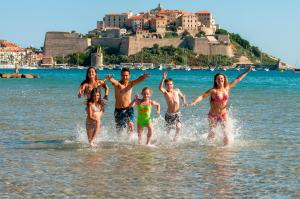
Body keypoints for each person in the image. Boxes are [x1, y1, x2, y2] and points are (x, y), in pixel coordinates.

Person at [190, 66, 254, 145]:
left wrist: (247, 71)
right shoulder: (213, 90)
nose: (220, 80)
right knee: (212, 135)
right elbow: (202, 96)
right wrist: (195, 102)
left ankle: (225, 151)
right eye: (218, 79)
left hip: (223, 114)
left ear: (224, 80)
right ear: (215, 81)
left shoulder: (227, 88)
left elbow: (238, 79)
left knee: (226, 133)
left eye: (222, 79)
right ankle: (207, 148)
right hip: (213, 115)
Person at [106, 67, 149, 134]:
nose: (125, 77)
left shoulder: (131, 84)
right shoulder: (118, 85)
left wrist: (144, 77)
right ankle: (122, 143)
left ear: (129, 76)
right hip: (118, 110)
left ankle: (130, 140)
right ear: (121, 75)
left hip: (129, 108)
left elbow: (138, 80)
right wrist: (110, 79)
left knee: (131, 124)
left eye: (126, 75)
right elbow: (115, 82)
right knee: (119, 131)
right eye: (123, 75)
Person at [159, 71, 187, 141]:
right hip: (169, 114)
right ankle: (166, 141)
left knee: (178, 127)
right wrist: (163, 78)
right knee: (168, 130)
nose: (169, 86)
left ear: (173, 84)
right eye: (168, 85)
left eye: (171, 84)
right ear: (165, 86)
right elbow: (160, 88)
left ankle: (175, 139)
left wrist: (184, 102)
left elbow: (182, 97)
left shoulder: (177, 90)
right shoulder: (166, 93)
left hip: (177, 113)